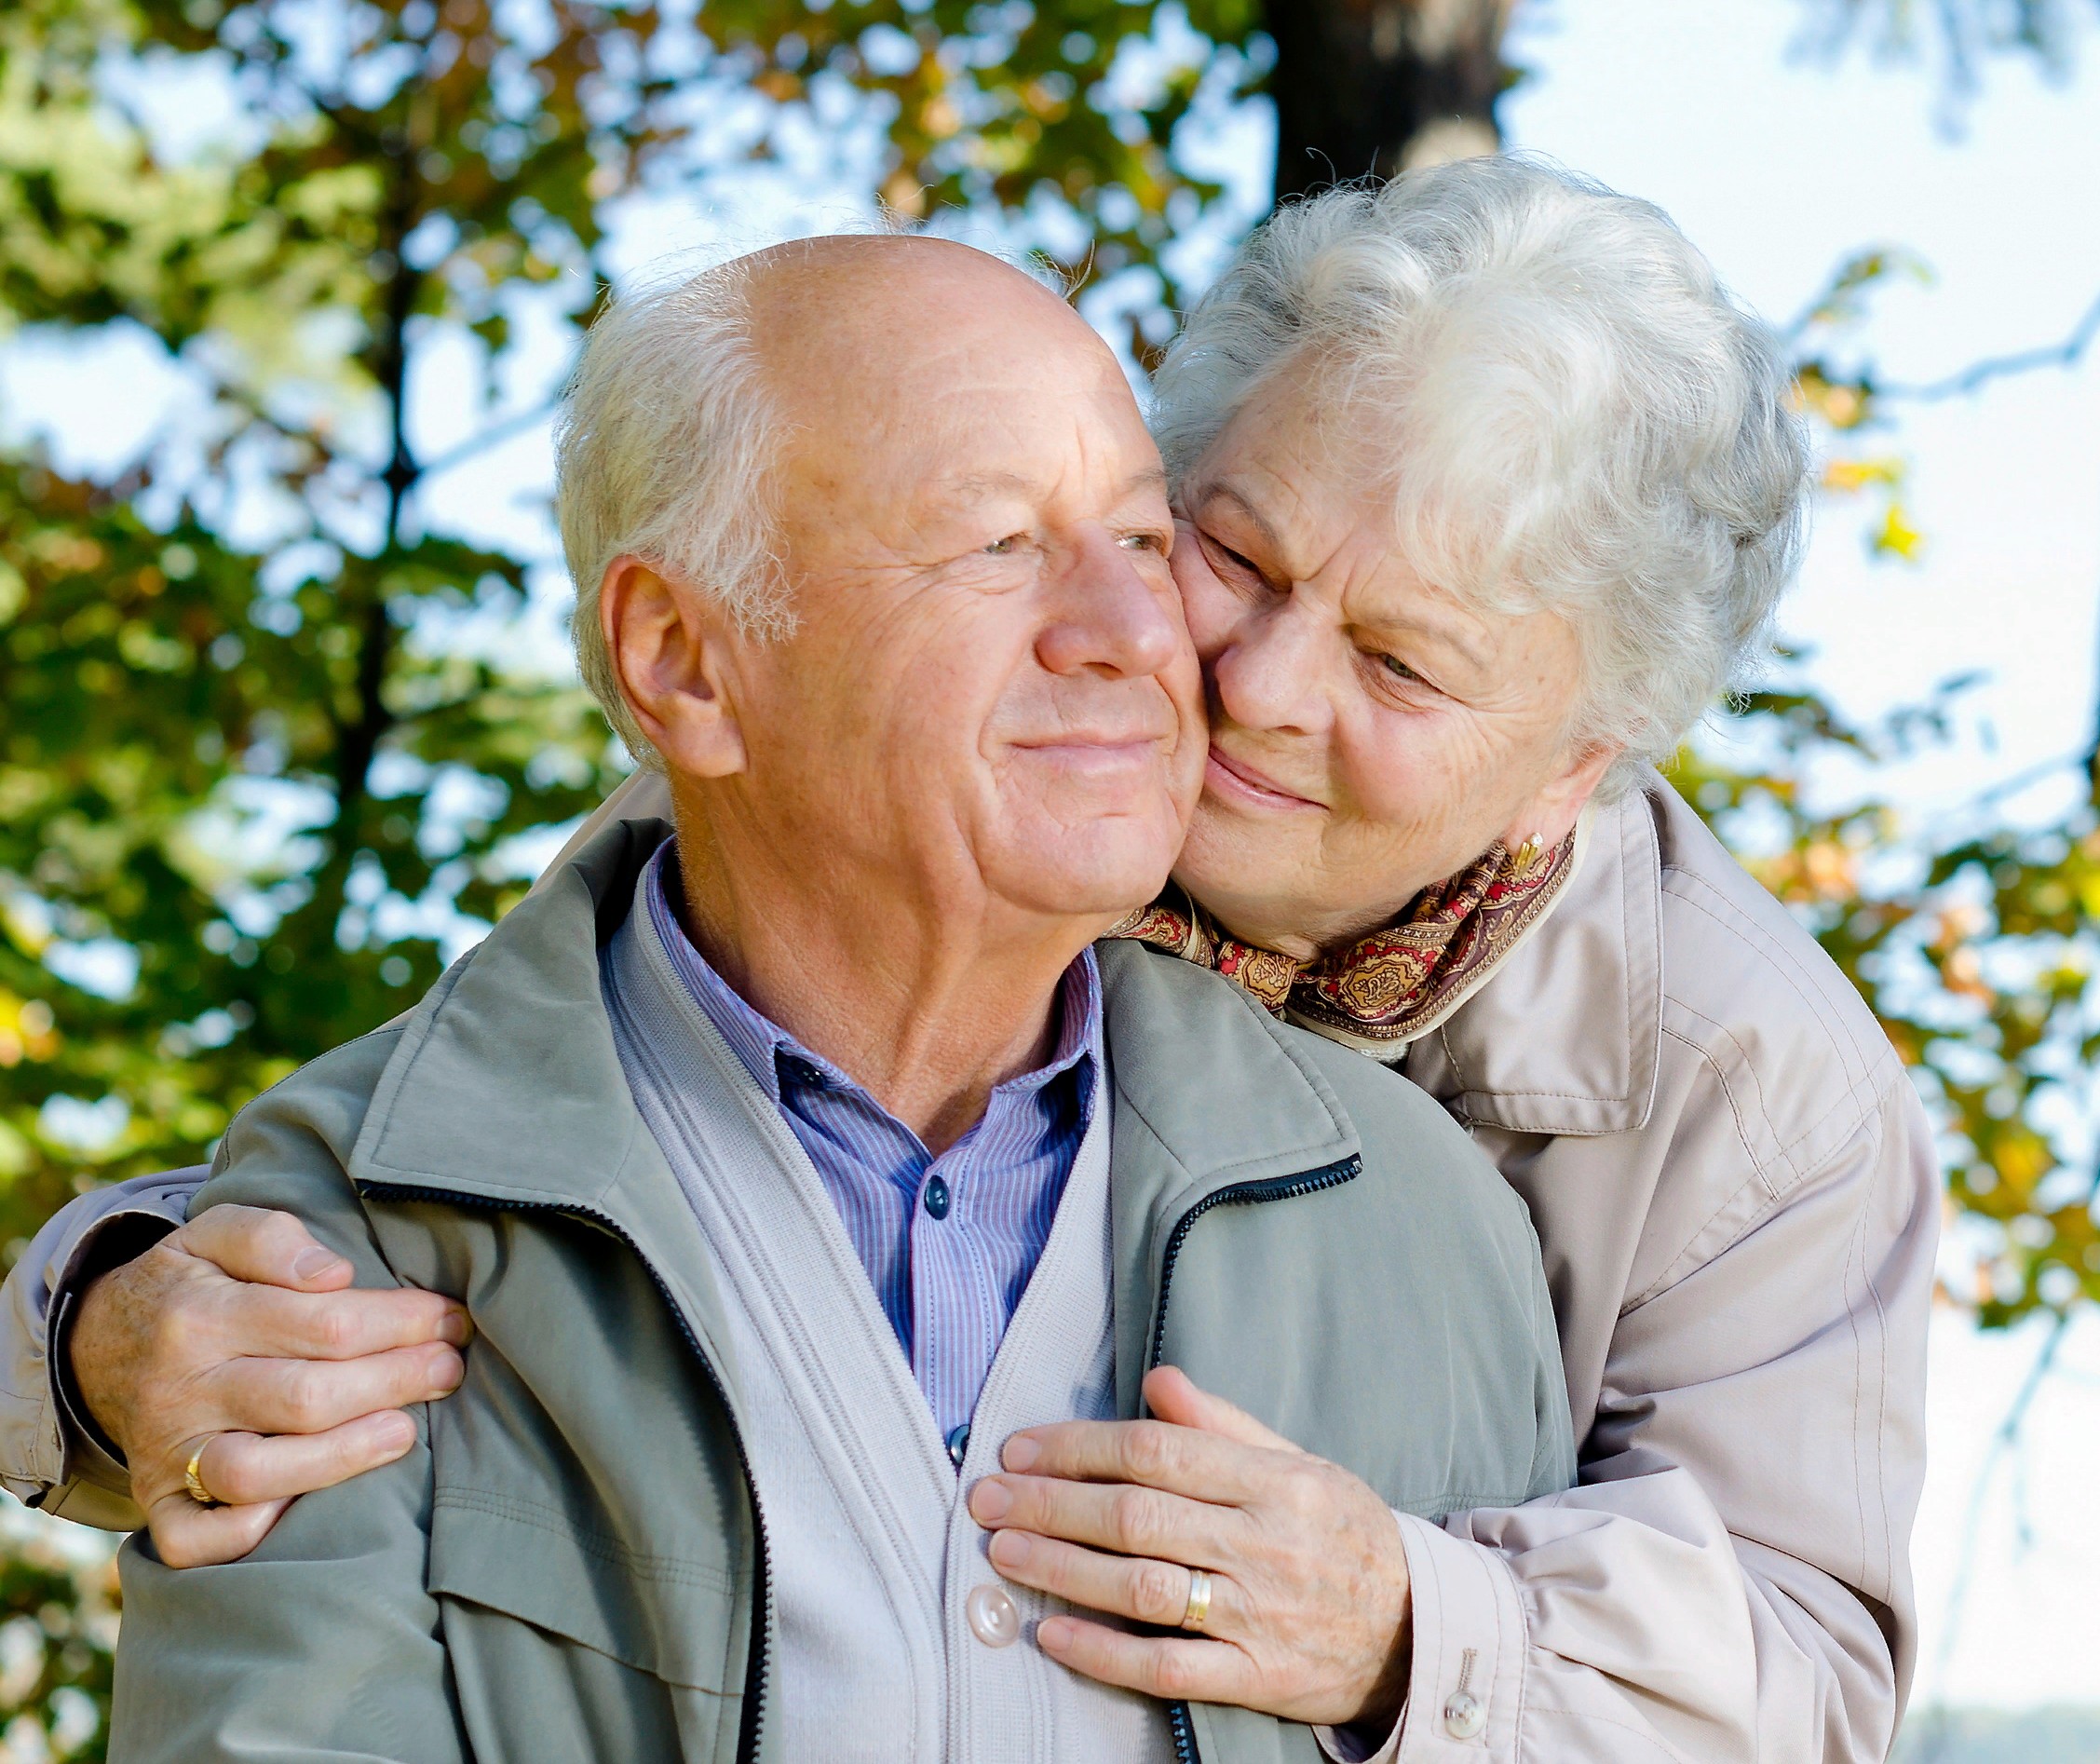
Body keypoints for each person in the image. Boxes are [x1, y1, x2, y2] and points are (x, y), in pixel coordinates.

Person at [16, 156, 1943, 1762]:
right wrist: (90, 1337)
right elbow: (522, 1143)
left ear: (1578, 757)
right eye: (1234, 555)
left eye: (1400, 662)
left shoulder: (1740, 1095)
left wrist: (1398, 1623)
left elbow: (1813, 1687)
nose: (1248, 688)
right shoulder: (947, 754)